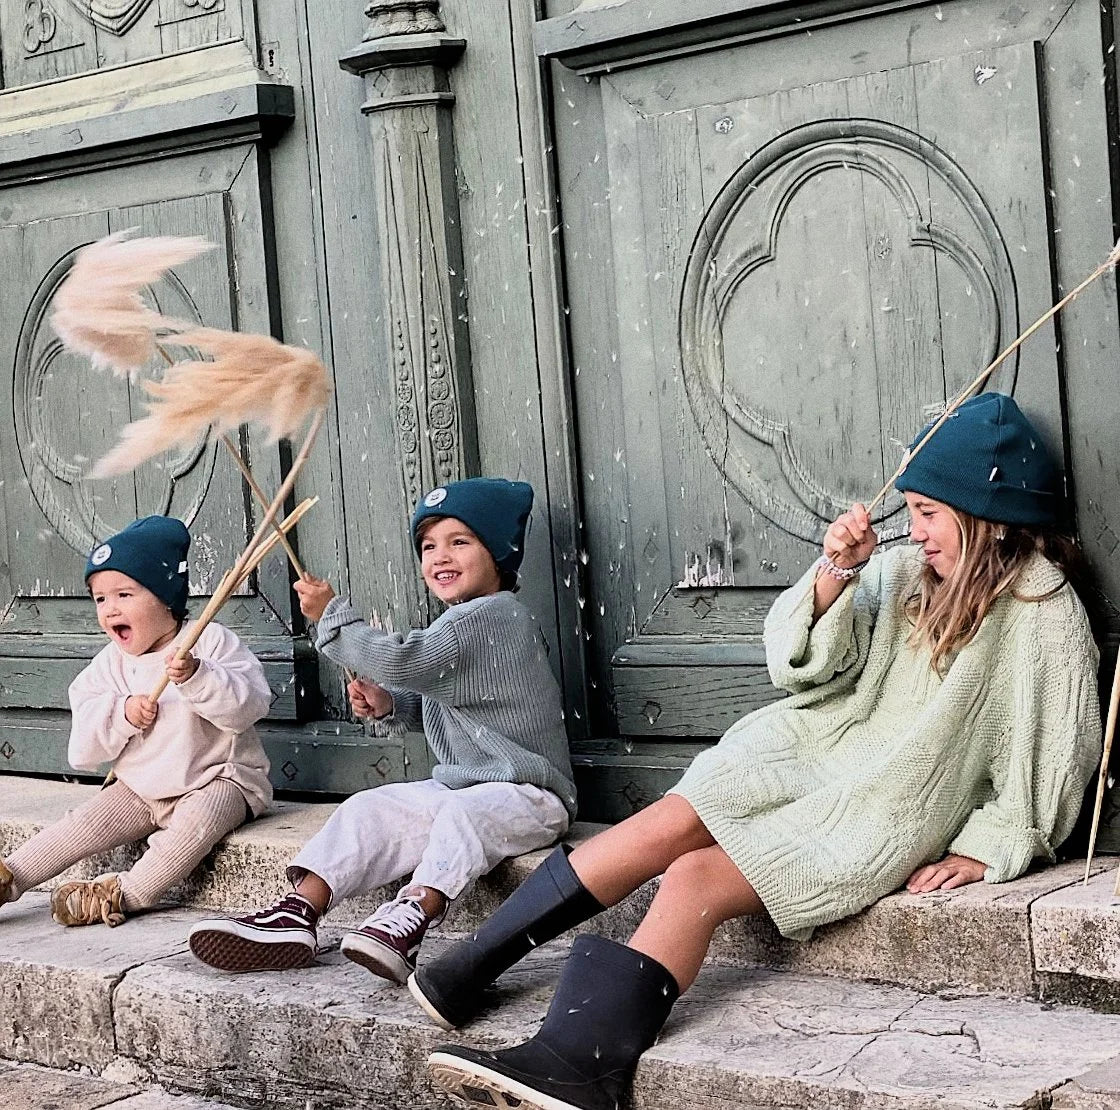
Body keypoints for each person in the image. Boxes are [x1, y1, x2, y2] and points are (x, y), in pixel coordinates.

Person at [417, 393, 1103, 1110]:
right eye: (912, 511)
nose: (916, 530)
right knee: (677, 815)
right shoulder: (903, 572)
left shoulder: (1041, 608)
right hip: (816, 745)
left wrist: (994, 842)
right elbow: (799, 661)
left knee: (696, 876)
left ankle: (580, 1063)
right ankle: (470, 966)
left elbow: (1057, 753)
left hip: (888, 795)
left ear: (990, 515)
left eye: (930, 513)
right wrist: (836, 573)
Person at [188, 478, 576, 985]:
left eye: (460, 541)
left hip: (532, 796)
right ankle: (298, 911)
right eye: (428, 546)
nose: (440, 556)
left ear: (499, 554)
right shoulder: (465, 623)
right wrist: (392, 704)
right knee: (368, 809)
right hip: (467, 788)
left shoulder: (492, 616)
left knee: (464, 815)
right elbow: (459, 705)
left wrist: (332, 619)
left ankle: (413, 915)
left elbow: (402, 660)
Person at [0, 516, 272, 927]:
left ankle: (123, 893)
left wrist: (198, 675)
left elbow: (249, 706)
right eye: (100, 599)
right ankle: (11, 876)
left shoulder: (208, 640)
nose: (110, 609)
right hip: (142, 787)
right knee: (83, 825)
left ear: (165, 598)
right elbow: (84, 751)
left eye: (124, 594)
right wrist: (122, 713)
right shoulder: (109, 664)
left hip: (218, 778)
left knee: (192, 831)